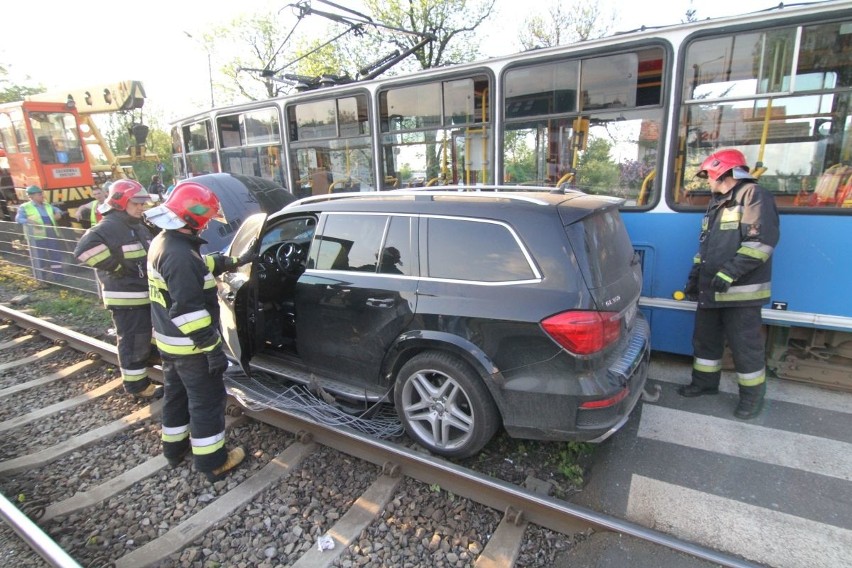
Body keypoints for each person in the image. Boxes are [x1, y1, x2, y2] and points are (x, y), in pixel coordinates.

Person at [143, 182, 254, 481]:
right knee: (206, 402)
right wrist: (211, 349)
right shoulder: (179, 255)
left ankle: (174, 449)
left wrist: (232, 261)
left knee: (176, 396)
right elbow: (187, 311)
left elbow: (199, 266)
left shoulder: (166, 243)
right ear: (193, 218)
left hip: (171, 344)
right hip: (192, 349)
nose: (206, 227)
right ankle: (213, 462)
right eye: (205, 220)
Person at [680, 149, 780, 419]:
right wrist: (695, 278)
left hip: (740, 295)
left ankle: (751, 399)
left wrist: (727, 274)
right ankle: (704, 384)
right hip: (711, 290)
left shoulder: (754, 196)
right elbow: (707, 248)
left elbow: (760, 244)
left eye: (709, 175)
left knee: (745, 348)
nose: (707, 181)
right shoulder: (717, 202)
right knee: (706, 343)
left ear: (723, 172)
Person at [74, 180, 162, 400]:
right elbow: (83, 251)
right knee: (133, 341)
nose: (141, 207)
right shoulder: (109, 226)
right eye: (136, 202)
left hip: (142, 295)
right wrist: (117, 267)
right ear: (121, 201)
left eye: (143, 203)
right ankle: (137, 387)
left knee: (146, 337)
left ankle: (147, 363)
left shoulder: (136, 224)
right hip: (126, 298)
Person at [15, 185, 65, 282]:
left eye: (41, 193)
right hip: (36, 237)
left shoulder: (46, 205)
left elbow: (56, 209)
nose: (42, 196)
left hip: (51, 233)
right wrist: (29, 221)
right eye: (39, 194)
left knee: (55, 255)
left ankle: (59, 277)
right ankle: (42, 279)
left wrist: (59, 213)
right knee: (40, 258)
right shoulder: (25, 207)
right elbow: (18, 219)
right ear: (32, 196)